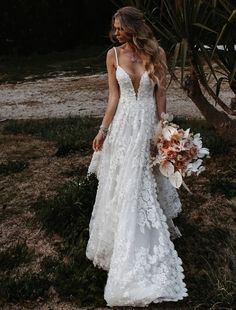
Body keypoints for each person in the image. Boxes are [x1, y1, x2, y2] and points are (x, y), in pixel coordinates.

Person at [86, 6, 188, 307]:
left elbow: (160, 94)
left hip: (147, 127)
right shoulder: (112, 56)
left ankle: (140, 247)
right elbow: (114, 96)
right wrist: (103, 130)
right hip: (123, 128)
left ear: (134, 27)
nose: (116, 32)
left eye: (120, 27)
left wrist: (163, 129)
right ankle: (122, 242)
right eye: (114, 28)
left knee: (143, 182)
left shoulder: (157, 54)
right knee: (125, 184)